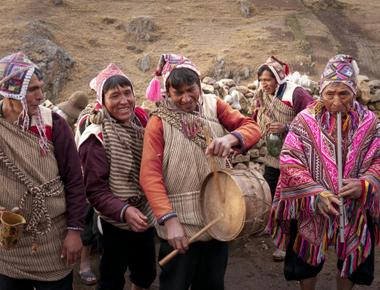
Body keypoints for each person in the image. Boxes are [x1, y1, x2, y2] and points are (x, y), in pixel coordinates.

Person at [140, 54, 261, 290]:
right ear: (167, 92)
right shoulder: (158, 122)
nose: (186, 98)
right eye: (178, 93)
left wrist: (230, 138)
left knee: (212, 284)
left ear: (198, 84)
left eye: (191, 89)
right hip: (180, 225)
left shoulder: (214, 105)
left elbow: (252, 128)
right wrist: (170, 220)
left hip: (218, 218)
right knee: (176, 285)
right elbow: (149, 175)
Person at [267, 54, 380, 290]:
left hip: (354, 205)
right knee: (306, 259)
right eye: (330, 94)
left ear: (354, 91)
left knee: (349, 258)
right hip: (312, 205)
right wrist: (315, 193)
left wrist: (365, 183)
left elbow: (378, 160)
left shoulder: (370, 122)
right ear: (321, 91)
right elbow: (290, 161)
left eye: (343, 94)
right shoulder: (305, 121)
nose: (336, 101)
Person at [0, 52, 87, 289]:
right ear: (11, 92)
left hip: (53, 240)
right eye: (32, 90)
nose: (40, 96)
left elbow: (74, 180)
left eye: (41, 88)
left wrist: (75, 231)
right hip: (8, 246)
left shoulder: (54, 125)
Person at [76, 63, 156, 290]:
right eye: (115, 95)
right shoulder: (96, 136)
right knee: (112, 277)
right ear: (102, 100)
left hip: (146, 214)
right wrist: (123, 210)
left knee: (145, 273)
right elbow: (94, 189)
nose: (124, 101)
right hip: (114, 220)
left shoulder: (142, 123)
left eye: (127, 93)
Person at [252, 56, 314, 260]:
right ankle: (271, 226)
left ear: (278, 78)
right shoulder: (262, 94)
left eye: (268, 80)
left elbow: (312, 119)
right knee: (270, 193)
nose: (264, 84)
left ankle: (285, 242)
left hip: (294, 156)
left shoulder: (295, 93)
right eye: (261, 80)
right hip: (272, 154)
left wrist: (287, 127)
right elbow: (256, 115)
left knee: (286, 199)